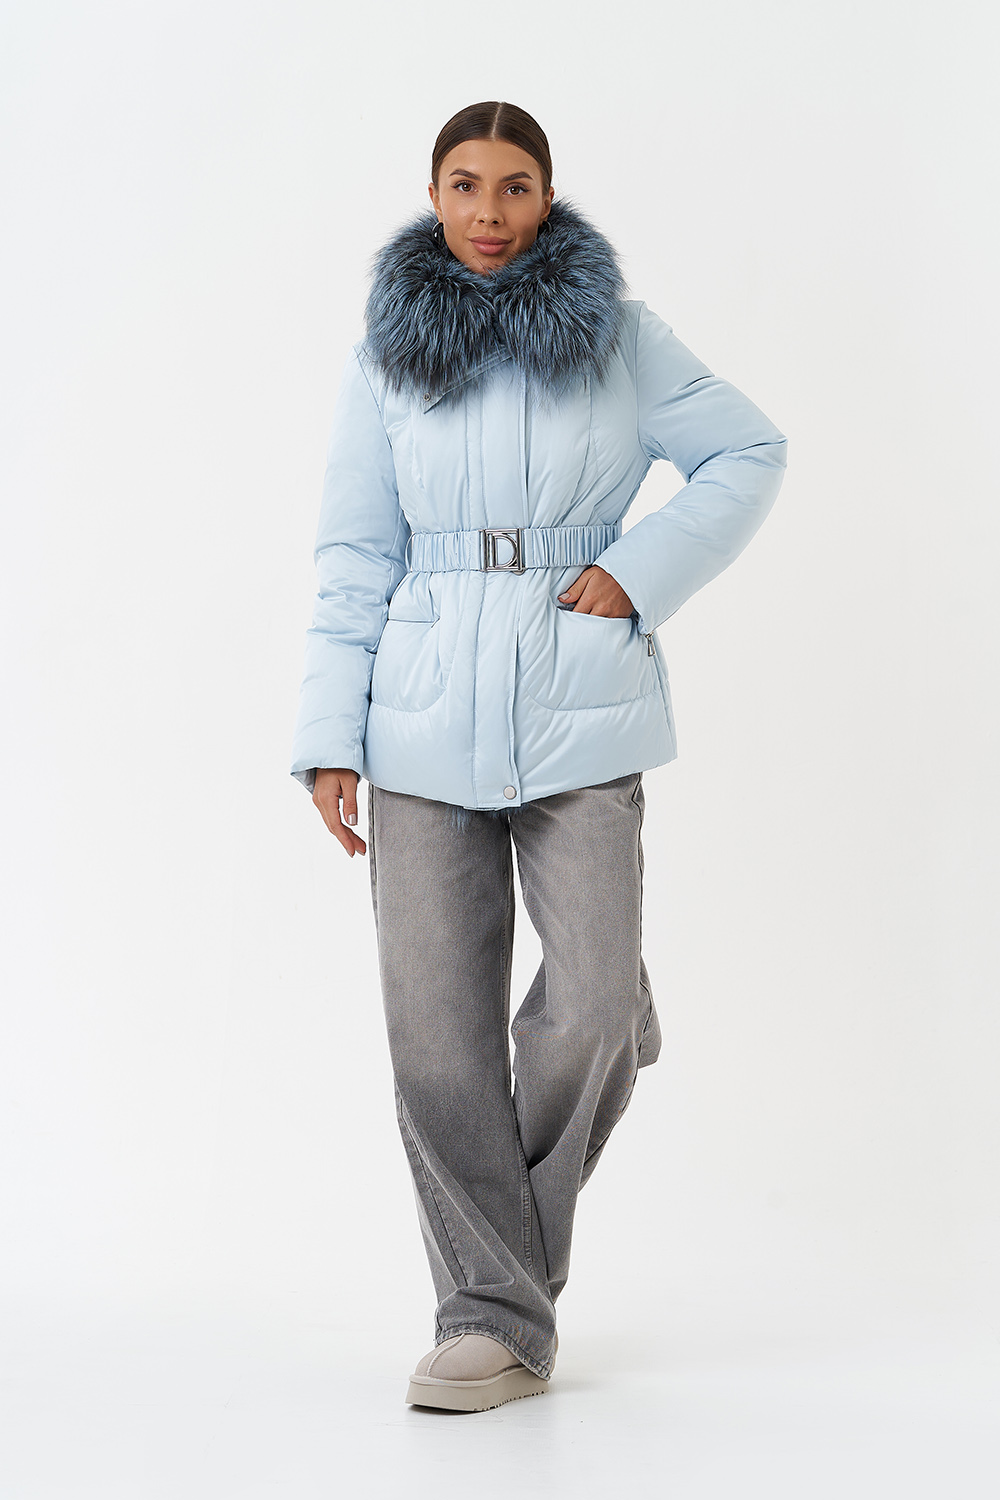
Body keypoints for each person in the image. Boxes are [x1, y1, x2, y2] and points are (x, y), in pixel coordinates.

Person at [290, 100, 787, 1412]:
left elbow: (748, 448)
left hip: (583, 703)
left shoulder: (617, 332)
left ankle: (514, 1249)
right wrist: (329, 735)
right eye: (465, 184)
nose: (490, 211)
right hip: (416, 719)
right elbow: (354, 553)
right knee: (438, 1038)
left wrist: (639, 571)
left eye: (514, 186)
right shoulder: (386, 353)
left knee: (589, 1012)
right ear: (434, 195)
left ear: (548, 196)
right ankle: (491, 1320)